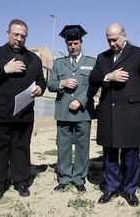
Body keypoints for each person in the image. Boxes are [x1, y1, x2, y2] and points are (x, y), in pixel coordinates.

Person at [0, 19, 46, 201]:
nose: (19, 39)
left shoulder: (34, 59)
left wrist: (40, 88)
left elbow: (41, 80)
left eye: (23, 36)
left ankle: (21, 181)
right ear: (7, 33)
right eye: (16, 35)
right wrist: (4, 70)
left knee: (21, 148)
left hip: (24, 113)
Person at [89, 23, 140, 207]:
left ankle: (130, 190)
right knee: (109, 153)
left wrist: (136, 100)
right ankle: (110, 187)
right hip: (109, 112)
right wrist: (109, 77)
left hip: (131, 112)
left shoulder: (139, 54)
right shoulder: (103, 57)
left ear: (124, 35)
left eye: (115, 39)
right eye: (109, 40)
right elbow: (93, 78)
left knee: (131, 154)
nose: (112, 43)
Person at [47, 25, 97, 192]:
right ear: (66, 45)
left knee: (83, 147)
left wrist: (81, 101)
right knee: (63, 146)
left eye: (76, 43)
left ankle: (79, 178)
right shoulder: (58, 63)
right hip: (63, 112)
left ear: (81, 42)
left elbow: (93, 86)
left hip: (83, 111)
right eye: (70, 44)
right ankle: (64, 177)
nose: (73, 46)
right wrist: (62, 83)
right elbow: (51, 84)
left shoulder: (91, 62)